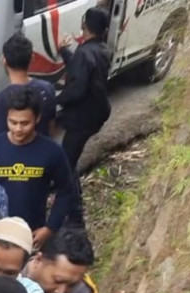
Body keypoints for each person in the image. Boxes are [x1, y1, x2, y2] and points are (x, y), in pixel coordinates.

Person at [0, 88, 78, 244]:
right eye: (12, 122)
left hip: (32, 234)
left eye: (25, 123)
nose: (18, 129)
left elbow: (67, 190)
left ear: (38, 118)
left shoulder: (52, 151)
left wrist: (50, 228)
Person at [22, 225, 109, 293]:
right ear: (38, 260)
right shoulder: (12, 278)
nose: (61, 291)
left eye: (72, 285)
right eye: (58, 280)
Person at [56, 7, 112, 171]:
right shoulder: (103, 50)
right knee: (71, 158)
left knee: (67, 163)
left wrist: (55, 100)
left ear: (83, 25)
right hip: (98, 113)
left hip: (82, 119)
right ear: (106, 30)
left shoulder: (84, 53)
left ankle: (68, 194)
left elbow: (77, 89)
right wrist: (65, 51)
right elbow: (81, 67)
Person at [0, 33, 56, 139]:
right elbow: (51, 128)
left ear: (4, 61)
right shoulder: (47, 89)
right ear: (32, 58)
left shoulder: (0, 99)